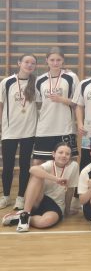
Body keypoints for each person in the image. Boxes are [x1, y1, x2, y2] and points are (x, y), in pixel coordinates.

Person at [2, 142, 79, 232]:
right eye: (60, 152)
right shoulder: (49, 164)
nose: (64, 155)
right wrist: (56, 179)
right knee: (37, 175)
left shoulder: (74, 166)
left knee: (45, 222)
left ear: (70, 156)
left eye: (67, 154)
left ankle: (21, 217)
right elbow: (32, 169)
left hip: (57, 204)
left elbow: (70, 190)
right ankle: (25, 214)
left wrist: (67, 210)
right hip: (38, 199)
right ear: (54, 154)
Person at [0, 54, 38, 210]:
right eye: (26, 62)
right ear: (19, 63)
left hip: (29, 131)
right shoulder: (7, 82)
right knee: (7, 165)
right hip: (10, 130)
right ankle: (6, 196)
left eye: (32, 63)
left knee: (24, 165)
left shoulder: (36, 83)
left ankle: (21, 197)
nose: (29, 65)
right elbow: (1, 105)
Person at [33, 47, 79, 163]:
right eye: (52, 60)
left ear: (63, 60)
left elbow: (78, 102)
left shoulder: (71, 77)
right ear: (47, 60)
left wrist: (62, 100)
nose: (55, 63)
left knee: (68, 161)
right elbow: (39, 104)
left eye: (58, 60)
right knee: (38, 161)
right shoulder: (40, 80)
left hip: (65, 127)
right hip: (45, 128)